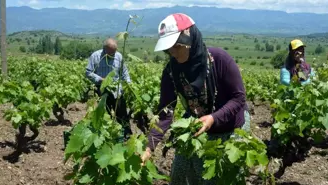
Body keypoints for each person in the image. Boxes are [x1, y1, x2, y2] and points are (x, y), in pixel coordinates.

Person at [141, 13, 251, 185]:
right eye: (168, 48)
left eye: (176, 46)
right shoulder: (171, 72)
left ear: (189, 39)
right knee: (180, 174)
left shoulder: (220, 60)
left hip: (230, 126)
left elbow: (239, 99)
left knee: (216, 179)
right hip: (198, 126)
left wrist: (214, 118)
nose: (172, 53)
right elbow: (165, 111)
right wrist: (149, 147)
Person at [85, 38, 132, 140]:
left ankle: (126, 136)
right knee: (105, 114)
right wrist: (101, 79)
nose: (113, 55)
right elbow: (88, 72)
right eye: (111, 53)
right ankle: (107, 136)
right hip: (102, 90)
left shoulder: (119, 56)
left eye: (114, 52)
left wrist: (128, 84)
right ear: (104, 49)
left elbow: (124, 73)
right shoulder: (96, 56)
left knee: (122, 114)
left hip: (117, 90)